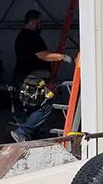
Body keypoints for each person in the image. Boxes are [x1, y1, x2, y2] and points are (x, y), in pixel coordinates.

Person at [11, 9, 71, 142]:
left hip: (24, 79)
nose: (41, 25)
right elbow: (43, 55)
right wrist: (61, 57)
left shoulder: (21, 36)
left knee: (33, 107)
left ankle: (33, 132)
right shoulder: (32, 37)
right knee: (45, 106)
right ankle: (22, 132)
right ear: (33, 22)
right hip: (32, 80)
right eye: (39, 22)